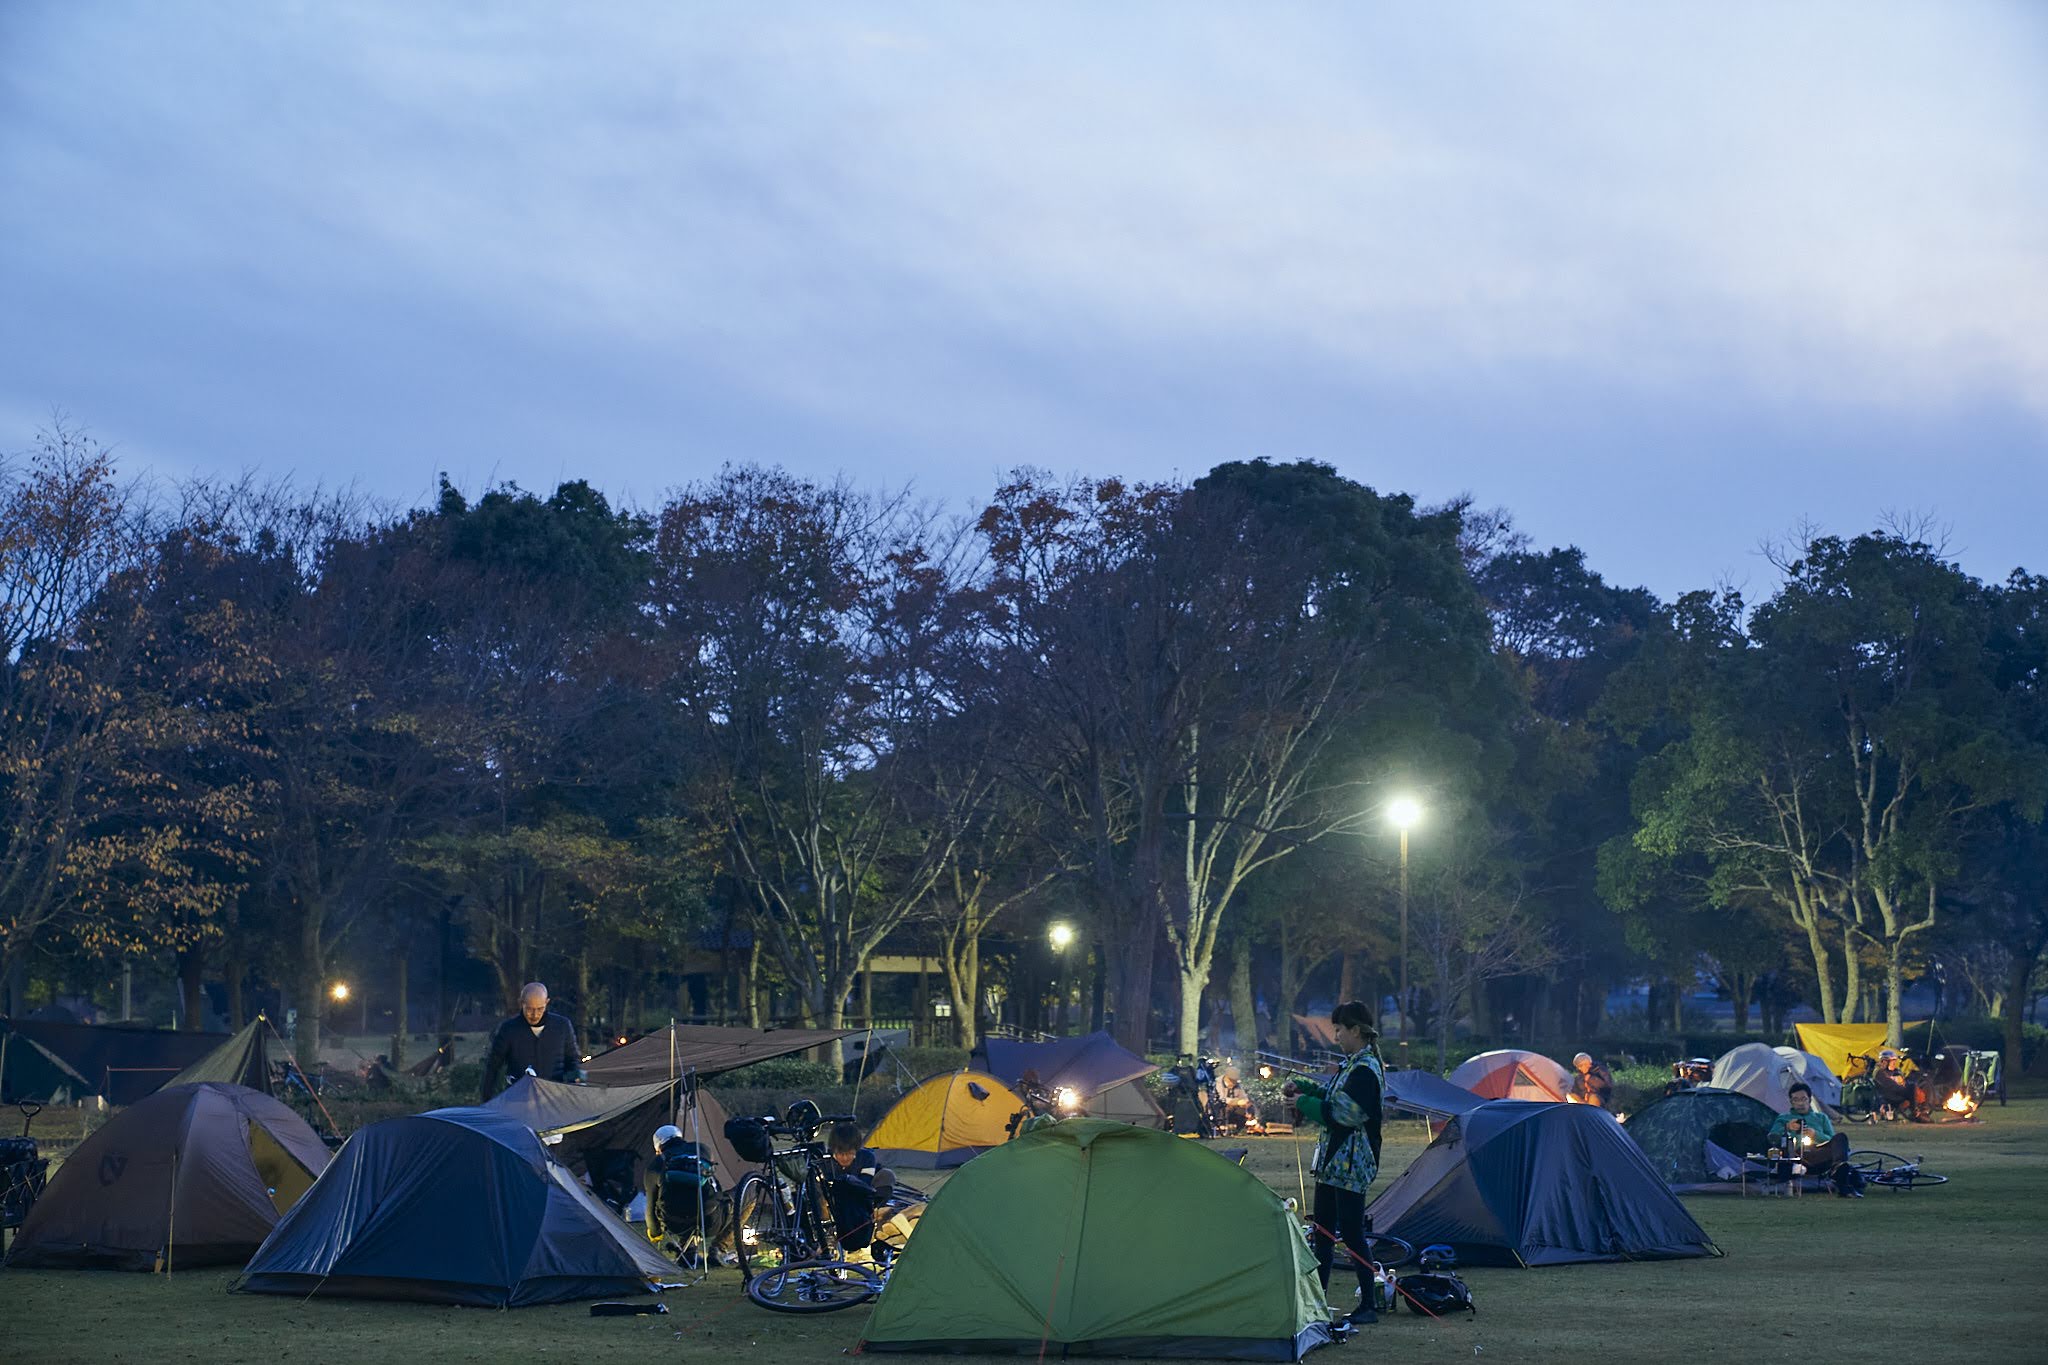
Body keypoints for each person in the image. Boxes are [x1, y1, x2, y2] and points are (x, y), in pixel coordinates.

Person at [1284, 1000, 1385, 1327]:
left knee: (1353, 1234)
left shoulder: (1365, 1070)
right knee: (1322, 1233)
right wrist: (1303, 1088)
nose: (1336, 1036)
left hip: (1352, 1164)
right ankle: (1318, 1301)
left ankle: (1368, 1304)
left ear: (1355, 1030)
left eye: (1339, 1030)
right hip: (1333, 1164)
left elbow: (1343, 1113)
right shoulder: (1352, 1065)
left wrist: (1303, 1102)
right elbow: (1331, 1097)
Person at [646, 1123, 732, 1266]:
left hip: (674, 1224)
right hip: (709, 1221)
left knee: (681, 1201)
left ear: (658, 1147)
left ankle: (689, 1252)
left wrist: (655, 1233)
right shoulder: (702, 1149)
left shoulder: (656, 1164)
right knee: (749, 1193)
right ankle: (718, 1249)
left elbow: (650, 1206)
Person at [481, 982, 583, 1102]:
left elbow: (573, 1060)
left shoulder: (562, 1026)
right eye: (529, 1009)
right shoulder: (508, 1029)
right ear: (521, 1003)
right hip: (518, 1100)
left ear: (547, 1002)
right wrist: (487, 1100)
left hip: (554, 1100)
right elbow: (493, 1066)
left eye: (540, 1009)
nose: (535, 1015)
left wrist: (574, 1084)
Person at [823, 1120, 893, 1258]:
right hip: (834, 1200)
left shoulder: (866, 1157)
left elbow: (864, 1185)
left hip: (861, 1198)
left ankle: (873, 1220)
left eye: (849, 1153)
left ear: (856, 1150)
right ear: (833, 1150)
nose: (844, 1158)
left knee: (887, 1175)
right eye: (840, 1153)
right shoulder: (825, 1161)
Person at [1768, 1083, 1845, 1172]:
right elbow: (1772, 1137)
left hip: (1820, 1152)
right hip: (1796, 1156)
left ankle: (1838, 1168)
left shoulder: (1821, 1117)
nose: (1800, 1103)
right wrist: (1787, 1127)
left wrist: (1816, 1135)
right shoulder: (1784, 1118)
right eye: (1796, 1100)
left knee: (1841, 1138)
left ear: (1809, 1100)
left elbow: (1833, 1140)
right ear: (1791, 1102)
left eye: (1803, 1099)